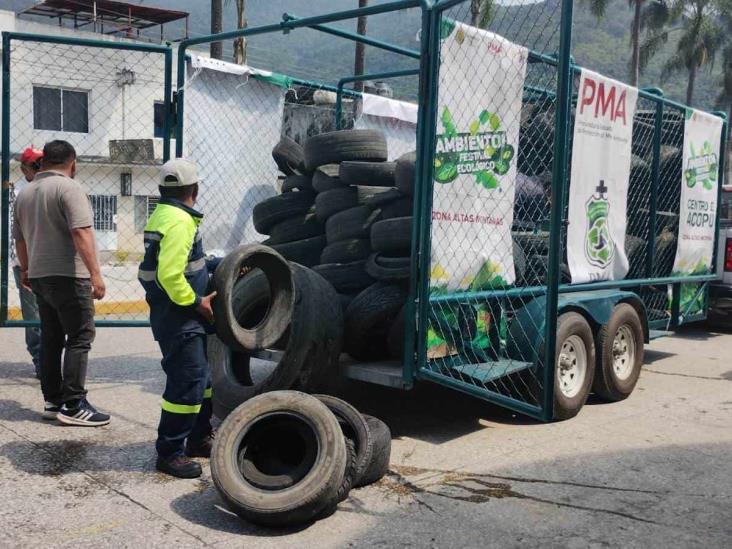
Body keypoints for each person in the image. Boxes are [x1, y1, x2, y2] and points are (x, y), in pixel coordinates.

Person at [12, 140, 109, 426]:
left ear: (43, 162)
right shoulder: (70, 188)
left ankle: (53, 401)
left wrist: (27, 269)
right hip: (69, 275)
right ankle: (75, 404)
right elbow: (81, 232)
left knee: (52, 339)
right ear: (72, 162)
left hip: (40, 275)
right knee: (80, 336)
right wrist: (96, 274)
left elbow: (19, 238)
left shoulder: (26, 193)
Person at [138, 158, 217, 479]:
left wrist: (213, 265)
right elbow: (171, 275)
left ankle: (199, 437)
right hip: (181, 317)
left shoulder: (163, 215)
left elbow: (184, 263)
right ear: (194, 190)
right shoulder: (181, 222)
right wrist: (197, 302)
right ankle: (170, 451)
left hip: (175, 316)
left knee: (203, 380)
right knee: (187, 383)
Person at [8, 147, 43, 377]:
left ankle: (49, 355)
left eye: (43, 164)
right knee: (33, 314)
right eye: (36, 166)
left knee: (51, 310)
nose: (41, 170)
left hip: (49, 258)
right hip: (27, 259)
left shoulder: (49, 186)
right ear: (24, 169)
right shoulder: (19, 192)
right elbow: (17, 232)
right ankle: (41, 358)